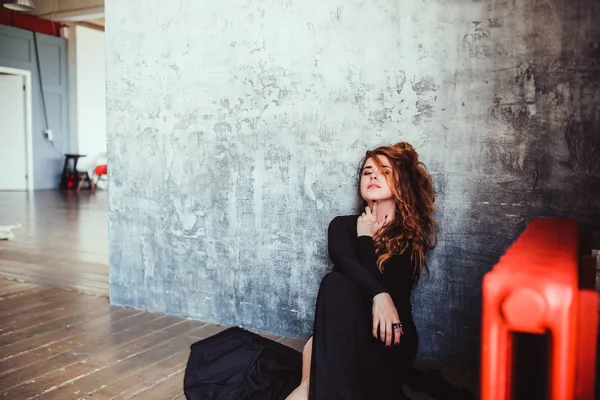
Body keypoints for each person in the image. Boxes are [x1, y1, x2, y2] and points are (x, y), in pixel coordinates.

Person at [286, 141, 438, 400]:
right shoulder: (342, 225)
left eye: (384, 171)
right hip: (349, 334)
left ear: (400, 182)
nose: (373, 176)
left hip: (389, 339)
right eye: (368, 172)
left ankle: (307, 389)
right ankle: (307, 388)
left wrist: (366, 241)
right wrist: (378, 293)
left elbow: (392, 291)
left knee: (329, 311)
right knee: (335, 282)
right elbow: (345, 262)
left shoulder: (410, 238)